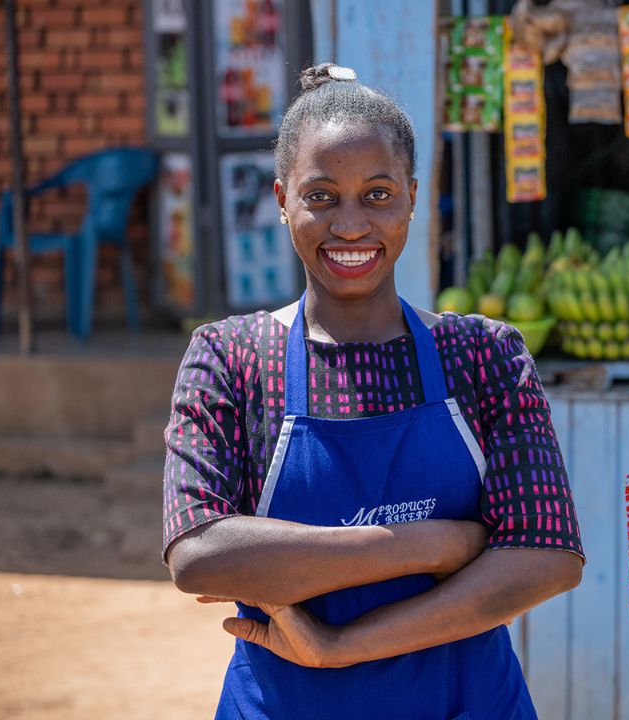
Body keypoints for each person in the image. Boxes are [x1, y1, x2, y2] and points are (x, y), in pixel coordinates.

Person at [162, 63, 584, 719]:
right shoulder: (231, 358)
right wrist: (432, 545)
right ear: (281, 199)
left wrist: (341, 645)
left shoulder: (484, 356)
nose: (351, 225)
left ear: (413, 196)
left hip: (463, 703)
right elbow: (199, 553)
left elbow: (547, 554)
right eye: (322, 196)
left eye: (378, 194)